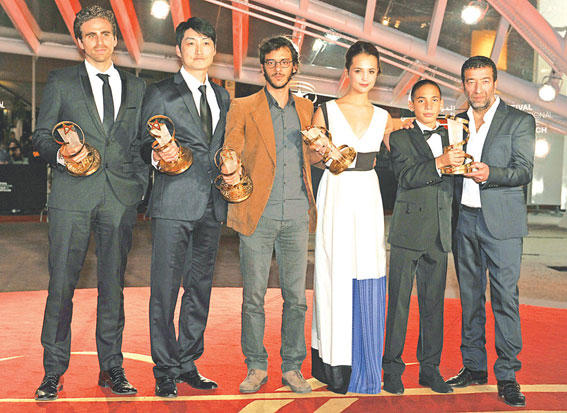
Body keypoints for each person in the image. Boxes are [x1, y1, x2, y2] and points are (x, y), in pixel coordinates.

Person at [32, 5, 147, 400]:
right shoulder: (61, 81)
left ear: (116, 38)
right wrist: (63, 154)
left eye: (105, 34)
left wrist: (139, 184)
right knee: (61, 285)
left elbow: (141, 142)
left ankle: (112, 368)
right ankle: (52, 372)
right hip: (72, 197)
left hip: (119, 199)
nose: (99, 41)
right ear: (80, 42)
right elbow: (41, 136)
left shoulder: (137, 87)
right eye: (91, 35)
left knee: (113, 286)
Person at [139, 17, 230, 398]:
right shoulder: (161, 92)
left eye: (206, 43)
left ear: (214, 50)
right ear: (179, 50)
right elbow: (141, 143)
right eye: (191, 43)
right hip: (172, 203)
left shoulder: (223, 97)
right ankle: (164, 368)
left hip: (212, 204)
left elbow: (222, 146)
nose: (198, 50)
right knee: (164, 289)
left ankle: (188, 361)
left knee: (199, 288)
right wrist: (159, 154)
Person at [223, 35, 316, 394]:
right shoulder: (242, 106)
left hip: (296, 215)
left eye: (284, 62)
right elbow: (231, 148)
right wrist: (229, 164)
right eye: (271, 62)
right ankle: (256, 365)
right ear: (262, 68)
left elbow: (314, 157)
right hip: (256, 214)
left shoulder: (307, 109)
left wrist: (325, 150)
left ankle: (292, 367)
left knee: (297, 299)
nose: (278, 68)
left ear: (295, 67)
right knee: (253, 298)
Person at [445, 56, 535, 408]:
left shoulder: (519, 120)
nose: (477, 88)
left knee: (505, 299)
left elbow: (524, 171)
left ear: (495, 82)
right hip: (464, 219)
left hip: (503, 223)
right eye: (471, 81)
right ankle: (474, 366)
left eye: (484, 80)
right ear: (463, 84)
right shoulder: (456, 123)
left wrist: (490, 174)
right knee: (470, 298)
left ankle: (508, 375)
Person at [309, 41, 393, 394]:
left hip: (368, 197)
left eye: (371, 71)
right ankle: (334, 363)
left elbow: (403, 158)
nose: (364, 77)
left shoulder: (384, 117)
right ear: (347, 72)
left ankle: (366, 360)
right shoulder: (326, 111)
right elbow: (312, 160)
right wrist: (320, 149)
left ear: (378, 75)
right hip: (336, 192)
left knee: (369, 270)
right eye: (358, 70)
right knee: (334, 271)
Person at [382, 79, 465, 395]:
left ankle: (430, 370)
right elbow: (405, 177)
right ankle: (392, 370)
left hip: (440, 232)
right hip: (408, 231)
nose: (428, 105)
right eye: (421, 100)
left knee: (434, 306)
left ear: (441, 104)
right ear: (411, 105)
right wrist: (440, 163)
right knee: (398, 305)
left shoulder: (452, 137)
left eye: (434, 100)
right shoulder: (399, 137)